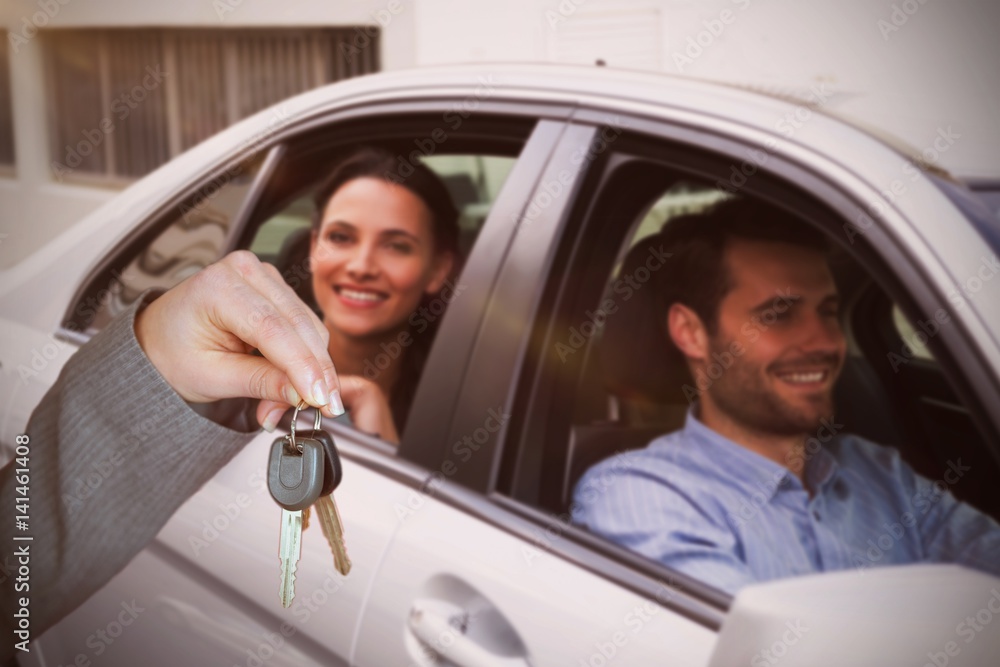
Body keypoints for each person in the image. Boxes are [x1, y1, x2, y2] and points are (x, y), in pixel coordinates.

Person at [571, 197, 1000, 595]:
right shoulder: (641, 497)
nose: (826, 342)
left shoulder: (883, 474)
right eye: (778, 314)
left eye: (827, 312)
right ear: (691, 333)